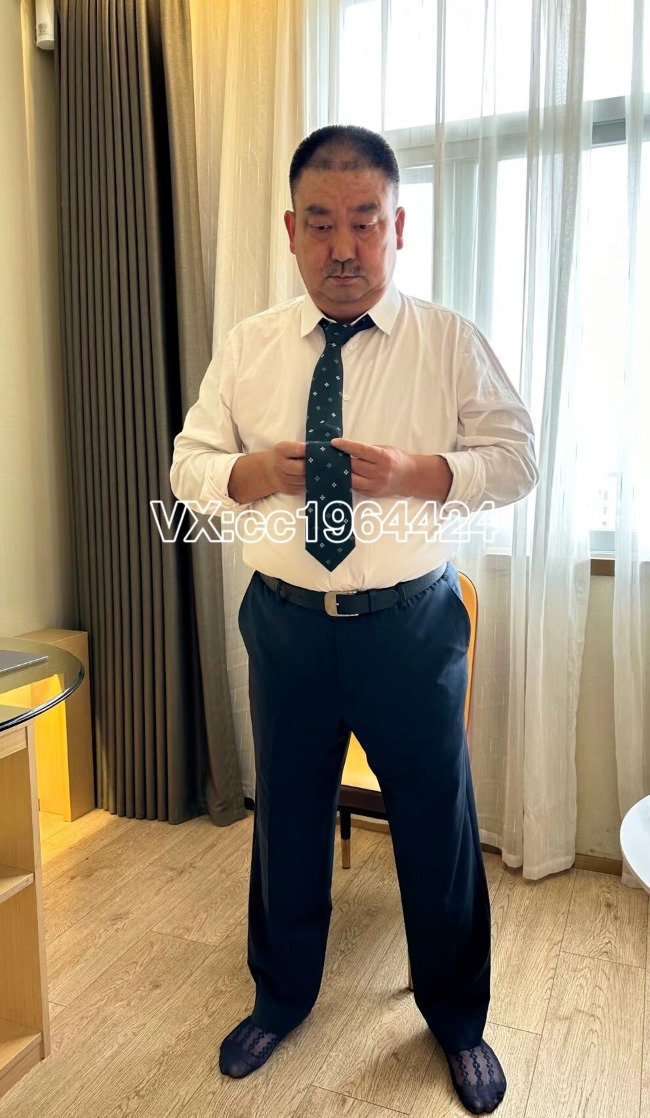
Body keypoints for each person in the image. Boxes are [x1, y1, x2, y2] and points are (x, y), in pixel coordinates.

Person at [170, 124, 538, 1115]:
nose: (344, 247)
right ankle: (280, 997)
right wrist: (248, 472)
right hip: (286, 624)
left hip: (410, 628)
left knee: (437, 827)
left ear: (397, 227)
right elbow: (188, 465)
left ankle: (456, 1020)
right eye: (322, 223)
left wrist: (424, 471)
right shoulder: (249, 346)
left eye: (365, 222)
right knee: (286, 818)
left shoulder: (448, 341)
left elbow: (517, 457)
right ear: (291, 229)